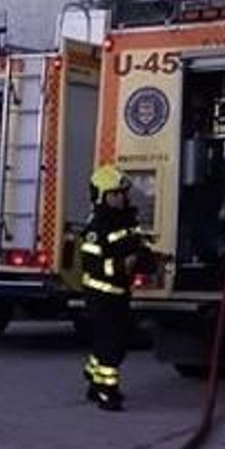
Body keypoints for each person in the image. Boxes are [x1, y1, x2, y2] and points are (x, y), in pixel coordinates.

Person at [78, 164, 147, 412]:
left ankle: (93, 376)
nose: (121, 197)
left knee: (120, 340)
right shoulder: (98, 226)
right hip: (101, 294)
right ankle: (107, 393)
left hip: (120, 293)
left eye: (122, 193)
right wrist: (120, 266)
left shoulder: (127, 217)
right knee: (111, 344)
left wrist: (150, 259)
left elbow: (135, 246)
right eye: (115, 194)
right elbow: (91, 263)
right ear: (102, 195)